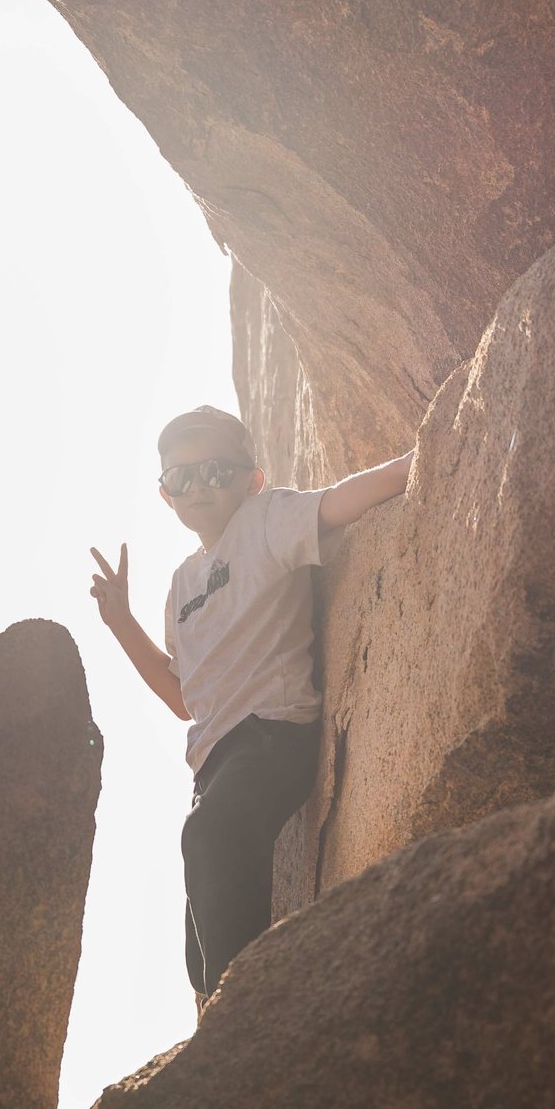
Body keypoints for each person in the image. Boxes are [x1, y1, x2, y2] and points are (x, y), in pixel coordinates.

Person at [88, 405, 412, 1010]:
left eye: (214, 470)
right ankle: (220, 1026)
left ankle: (245, 1023)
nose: (197, 488)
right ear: (165, 496)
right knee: (198, 938)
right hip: (213, 765)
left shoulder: (264, 520)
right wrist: (120, 622)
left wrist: (416, 462)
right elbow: (183, 697)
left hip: (272, 735)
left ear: (250, 478)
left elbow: (336, 502)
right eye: (180, 478)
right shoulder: (182, 585)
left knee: (210, 837)